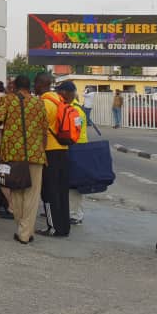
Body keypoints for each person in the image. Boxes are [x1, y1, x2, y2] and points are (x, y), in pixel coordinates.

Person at [0, 75, 47, 244]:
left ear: (15, 86)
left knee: (16, 192)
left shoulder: (8, 101)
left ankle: (23, 230)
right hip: (35, 155)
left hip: (13, 155)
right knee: (32, 195)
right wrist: (42, 151)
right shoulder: (39, 103)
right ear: (29, 87)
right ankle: (25, 232)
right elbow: (44, 131)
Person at [37, 73, 71, 237]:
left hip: (49, 150)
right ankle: (64, 226)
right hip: (63, 149)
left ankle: (53, 227)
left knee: (49, 191)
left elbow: (40, 130)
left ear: (40, 84)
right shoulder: (60, 100)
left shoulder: (44, 102)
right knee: (62, 190)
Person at [64, 83, 89, 225]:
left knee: (75, 184)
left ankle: (76, 214)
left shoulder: (75, 110)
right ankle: (71, 211)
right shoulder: (72, 108)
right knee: (69, 183)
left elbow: (75, 131)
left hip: (76, 148)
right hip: (74, 147)